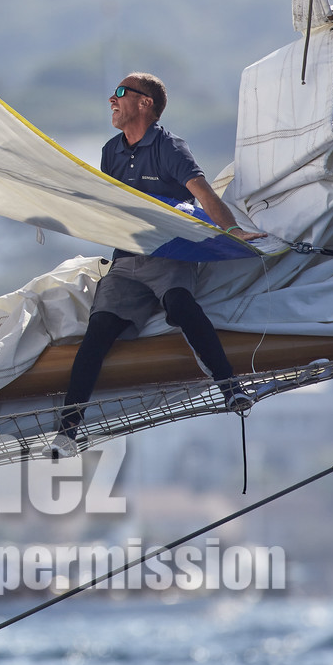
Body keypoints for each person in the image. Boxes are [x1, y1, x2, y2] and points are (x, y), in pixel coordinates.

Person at [53, 74, 265, 458]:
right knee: (98, 330)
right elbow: (107, 208)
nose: (111, 100)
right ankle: (68, 430)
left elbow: (202, 193)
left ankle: (230, 386)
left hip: (169, 254)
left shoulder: (168, 147)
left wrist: (232, 231)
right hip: (126, 258)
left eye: (120, 94)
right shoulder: (110, 151)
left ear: (145, 103)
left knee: (181, 305)